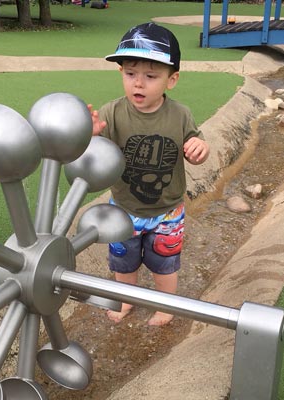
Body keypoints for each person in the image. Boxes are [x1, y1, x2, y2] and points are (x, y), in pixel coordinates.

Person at [90, 22, 210, 326]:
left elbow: (195, 145)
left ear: (172, 80)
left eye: (151, 76)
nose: (138, 84)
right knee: (123, 262)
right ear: (121, 74)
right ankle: (125, 301)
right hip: (124, 209)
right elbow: (95, 156)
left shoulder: (180, 115)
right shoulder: (111, 113)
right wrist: (89, 136)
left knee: (164, 265)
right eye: (130, 74)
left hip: (168, 212)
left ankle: (165, 306)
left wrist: (199, 148)